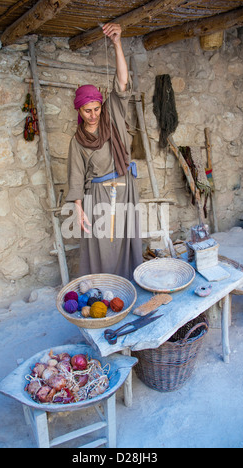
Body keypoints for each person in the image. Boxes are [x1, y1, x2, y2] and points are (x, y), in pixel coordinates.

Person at [65, 23, 143, 280]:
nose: (93, 115)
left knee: (125, 238)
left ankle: (128, 285)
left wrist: (118, 44)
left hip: (125, 187)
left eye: (96, 108)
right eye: (87, 110)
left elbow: (122, 82)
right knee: (101, 243)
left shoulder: (114, 115)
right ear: (79, 111)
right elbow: (76, 176)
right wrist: (79, 207)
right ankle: (101, 285)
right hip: (97, 195)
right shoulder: (77, 141)